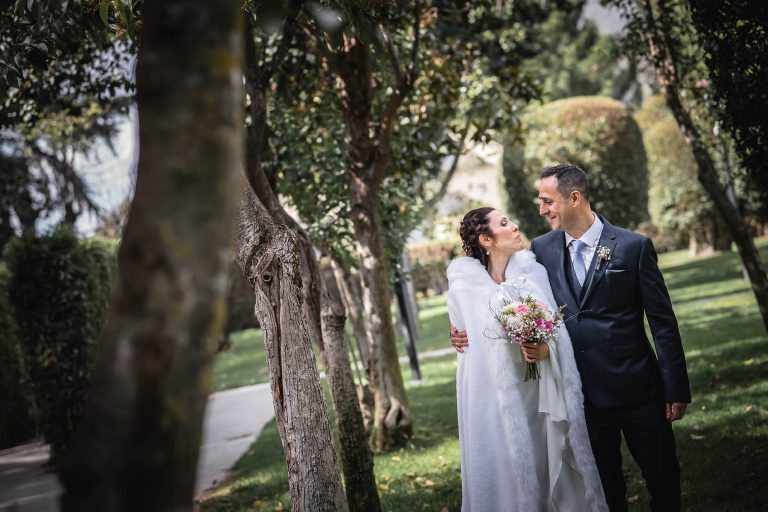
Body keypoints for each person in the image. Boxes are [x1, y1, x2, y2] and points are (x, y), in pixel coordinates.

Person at [451, 164, 691, 512]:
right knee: (604, 487)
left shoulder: (633, 247)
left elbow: (663, 323)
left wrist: (676, 387)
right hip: (582, 395)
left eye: (547, 201)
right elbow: (506, 294)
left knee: (663, 477)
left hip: (638, 387)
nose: (541, 210)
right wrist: (462, 331)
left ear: (573, 198)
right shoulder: (541, 252)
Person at [447, 206, 608, 512]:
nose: (515, 226)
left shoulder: (533, 272)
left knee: (546, 459)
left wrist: (546, 349)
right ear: (486, 239)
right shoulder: (462, 289)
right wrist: (456, 336)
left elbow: (559, 325)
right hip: (495, 401)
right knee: (507, 468)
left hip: (540, 393)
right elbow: (469, 352)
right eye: (504, 223)